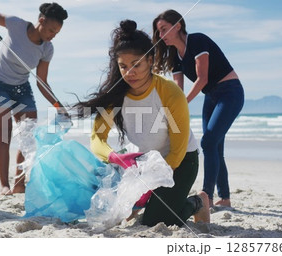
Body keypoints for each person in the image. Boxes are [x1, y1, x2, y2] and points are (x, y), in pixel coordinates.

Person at [74, 20, 210, 227]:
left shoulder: (169, 93)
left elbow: (178, 148)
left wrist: (150, 184)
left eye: (136, 65)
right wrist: (116, 157)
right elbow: (97, 139)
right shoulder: (115, 96)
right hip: (141, 163)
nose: (130, 73)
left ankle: (198, 201)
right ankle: (150, 202)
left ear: (150, 60)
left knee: (156, 221)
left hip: (180, 162)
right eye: (123, 66)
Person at [152, 9, 244, 207]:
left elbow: (202, 79)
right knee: (214, 146)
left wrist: (181, 105)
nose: (161, 36)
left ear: (178, 26)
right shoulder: (174, 56)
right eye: (159, 32)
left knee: (209, 142)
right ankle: (225, 198)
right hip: (211, 97)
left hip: (230, 92)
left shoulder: (198, 40)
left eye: (164, 29)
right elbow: (178, 89)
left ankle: (207, 197)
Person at [0, 2, 68, 195]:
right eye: (51, 30)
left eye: (57, 33)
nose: (53, 35)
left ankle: (19, 184)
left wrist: (58, 105)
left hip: (22, 88)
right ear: (41, 21)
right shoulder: (16, 24)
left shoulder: (47, 49)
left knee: (28, 138)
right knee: (4, 135)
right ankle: (4, 185)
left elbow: (42, 82)